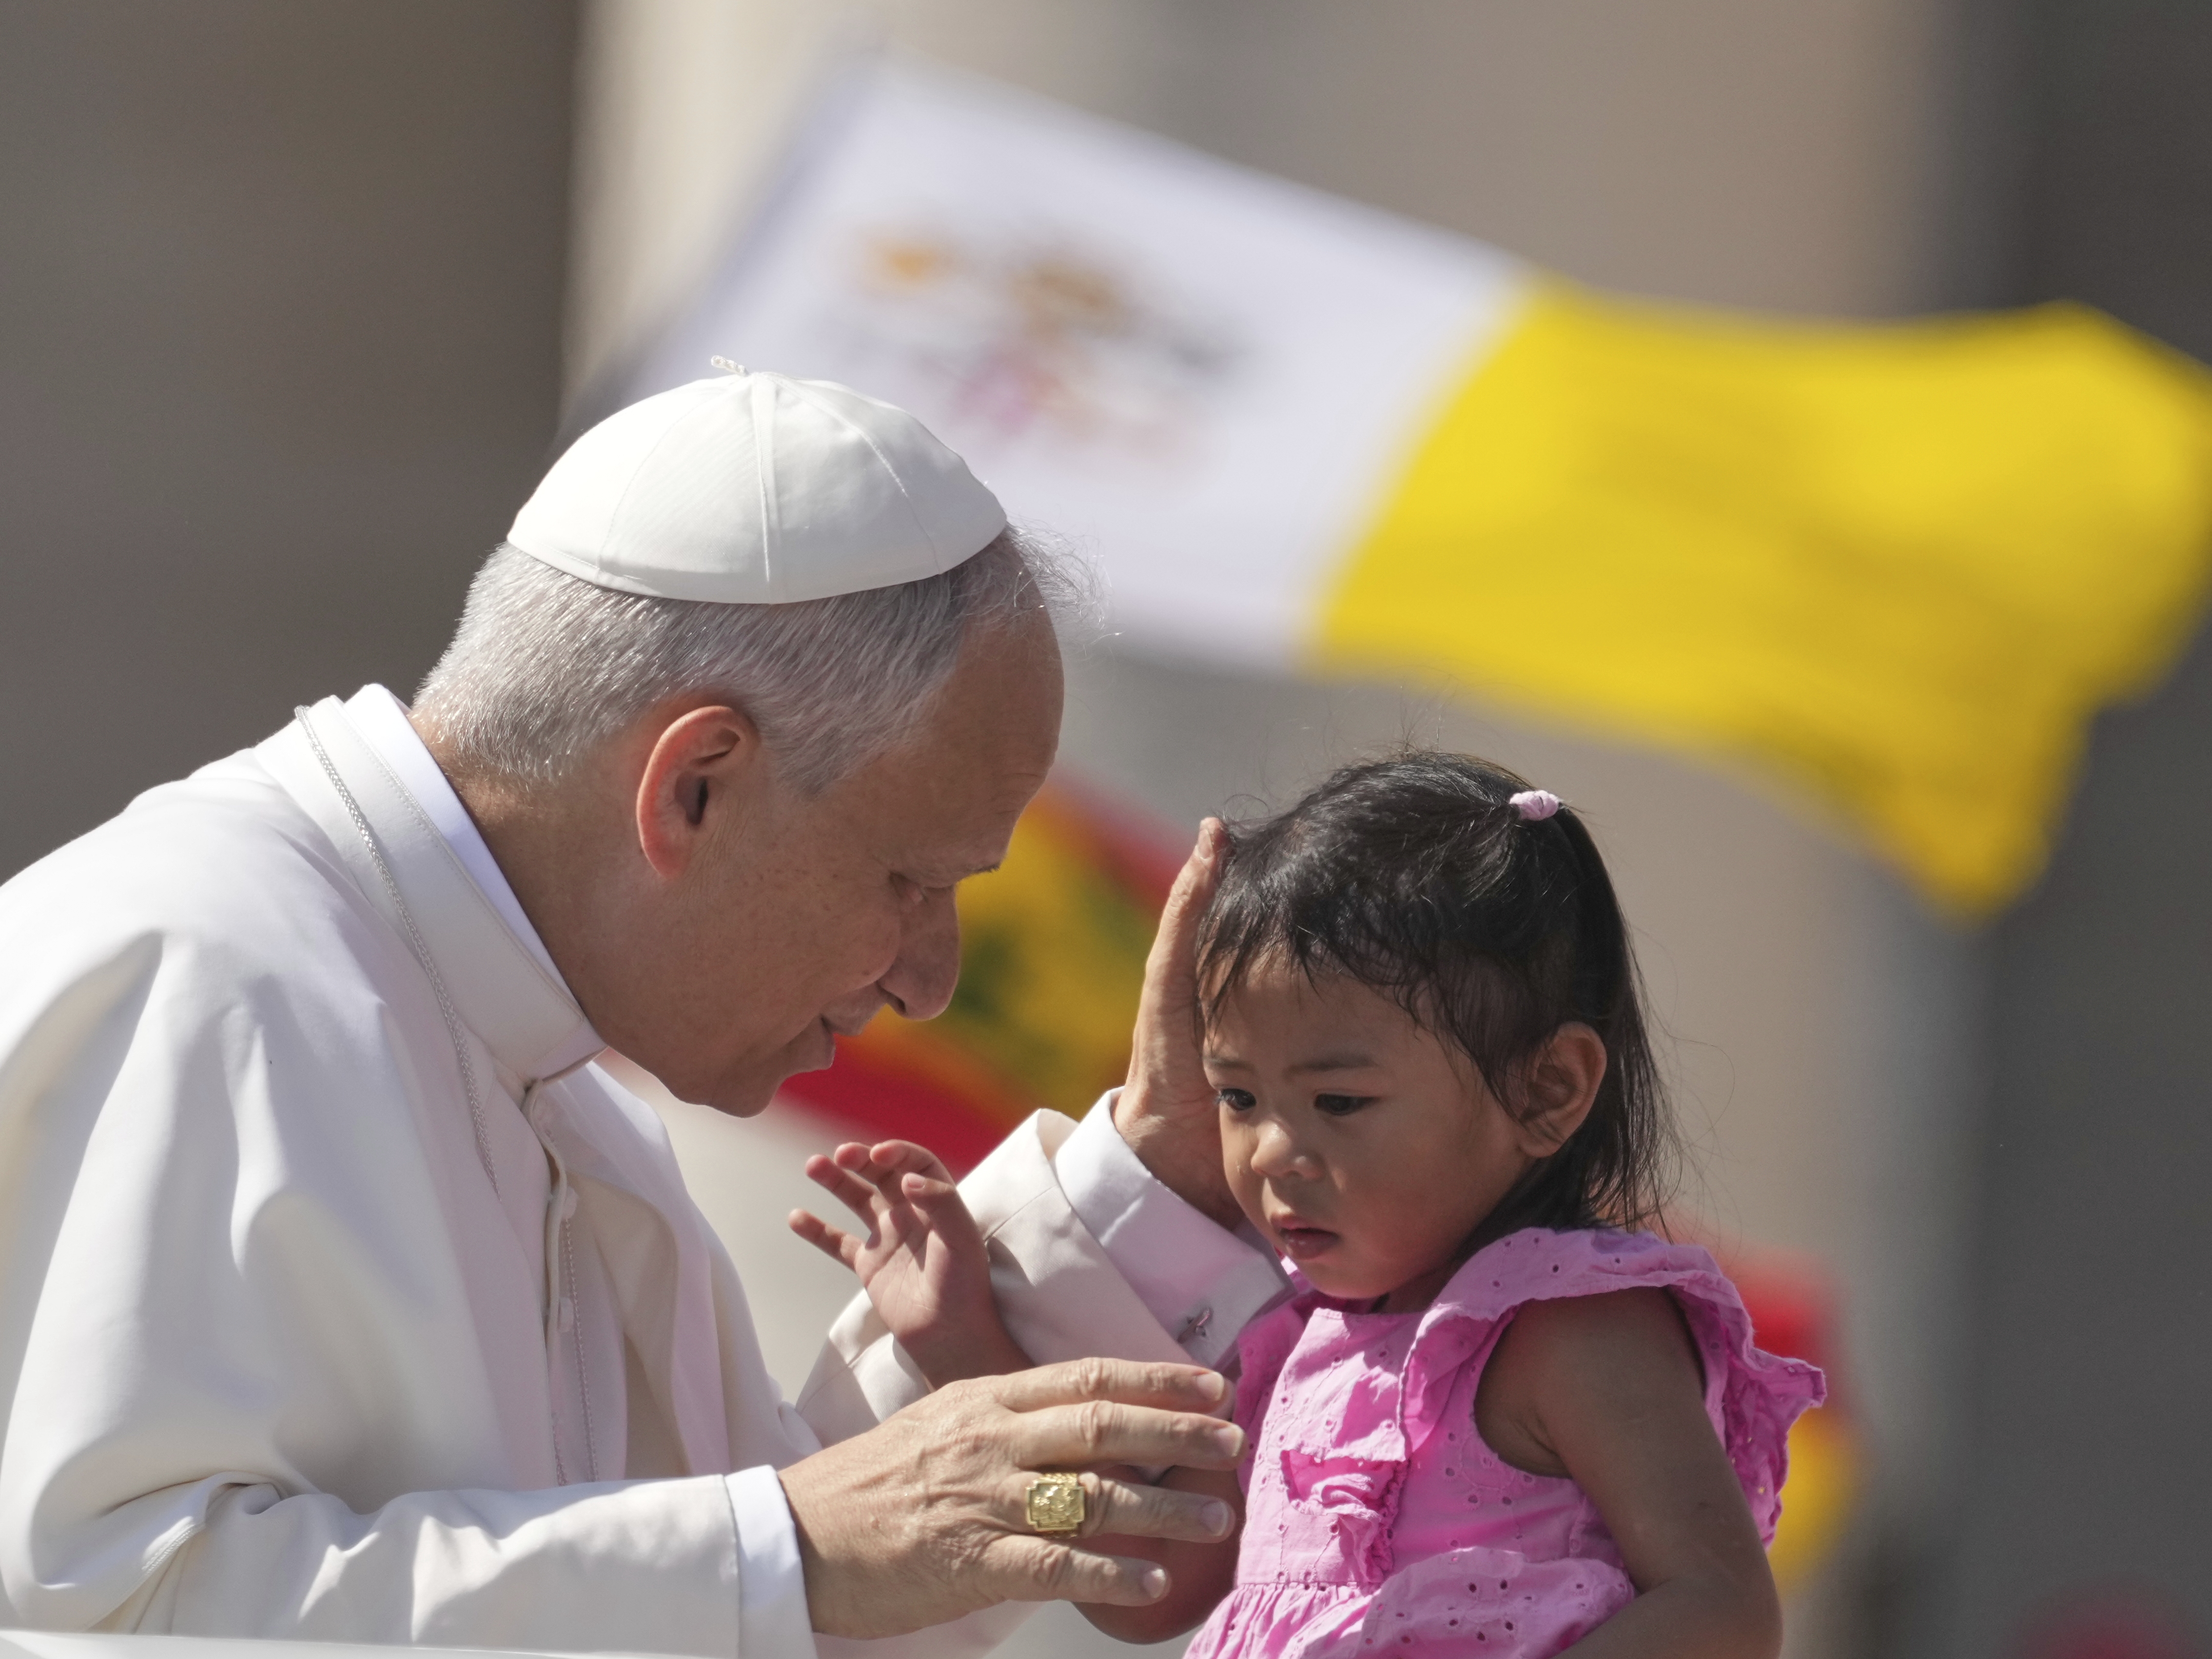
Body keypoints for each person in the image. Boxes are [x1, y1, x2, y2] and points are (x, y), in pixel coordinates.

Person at [0, 369, 1291, 1657]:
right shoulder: (203, 974)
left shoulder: (553, 1073)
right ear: (694, 789)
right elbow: (103, 1613)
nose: (928, 982)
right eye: (913, 881)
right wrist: (788, 1550)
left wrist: (1148, 1182)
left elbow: (759, 1599)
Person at [797, 752, 1827, 1658]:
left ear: (1546, 1089)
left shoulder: (1567, 1327)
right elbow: (1154, 1580)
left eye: (1338, 1101)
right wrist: (962, 1346)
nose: (1274, 1153)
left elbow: (1721, 1609)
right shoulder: (1295, 1333)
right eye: (1238, 1097)